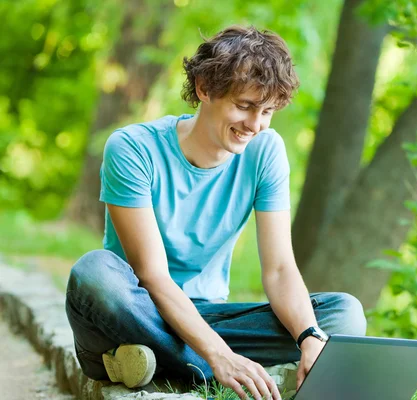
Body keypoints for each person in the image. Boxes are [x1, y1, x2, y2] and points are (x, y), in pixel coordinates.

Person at [65, 25, 367, 400]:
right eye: (244, 106)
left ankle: (153, 364)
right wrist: (221, 355)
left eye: (267, 111)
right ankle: (215, 369)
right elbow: (153, 276)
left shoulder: (266, 152)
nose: (255, 125)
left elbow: (279, 269)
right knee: (94, 275)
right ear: (205, 88)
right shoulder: (132, 148)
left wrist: (309, 337)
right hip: (135, 311)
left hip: (208, 319)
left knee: (344, 315)